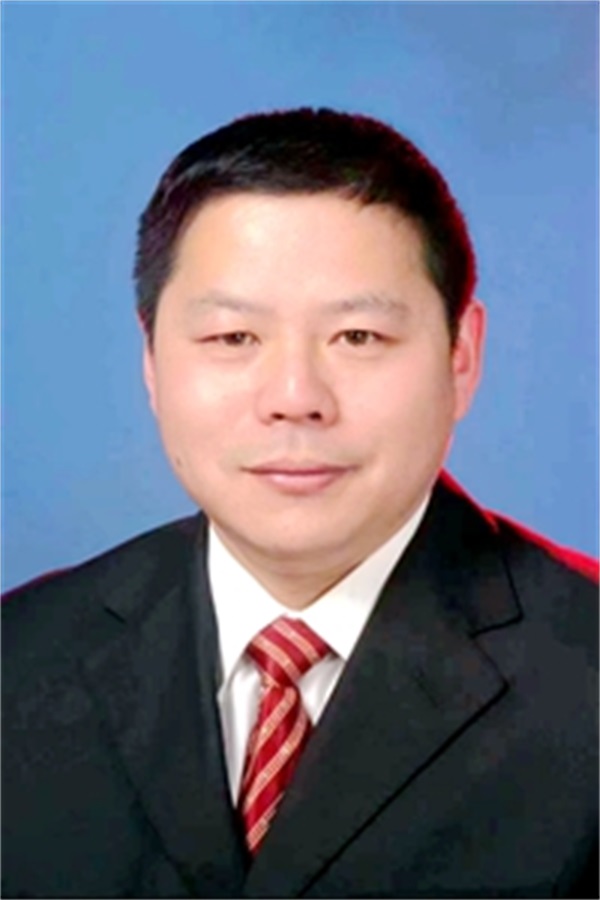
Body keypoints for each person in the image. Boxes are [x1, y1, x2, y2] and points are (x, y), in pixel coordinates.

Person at [2, 107, 597, 899]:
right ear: (151, 360)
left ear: (462, 355)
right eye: (233, 339)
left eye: (357, 337)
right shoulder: (19, 658)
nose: (294, 397)